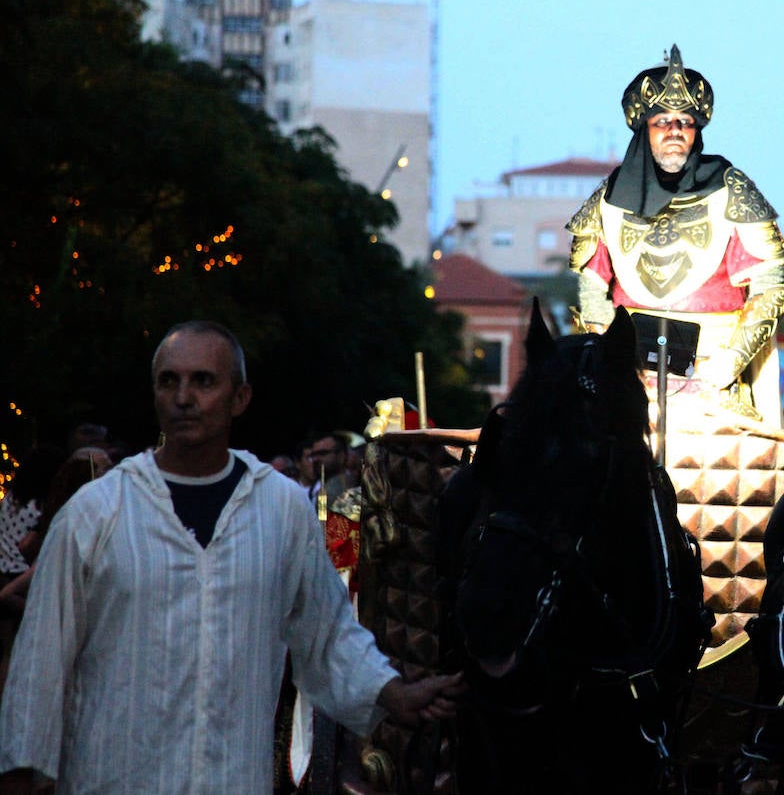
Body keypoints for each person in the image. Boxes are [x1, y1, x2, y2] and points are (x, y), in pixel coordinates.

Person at [0, 321, 462, 792]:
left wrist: (393, 693)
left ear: (239, 398)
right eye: (169, 381)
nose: (183, 397)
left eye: (203, 380)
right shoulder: (95, 514)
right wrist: (20, 773)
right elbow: (41, 660)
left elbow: (327, 634)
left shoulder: (280, 509)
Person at [566, 44, 784, 423]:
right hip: (627, 378)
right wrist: (615, 358)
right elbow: (591, 287)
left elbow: (771, 287)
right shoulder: (610, 196)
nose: (675, 131)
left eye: (685, 122)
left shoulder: (732, 189)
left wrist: (725, 367)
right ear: (645, 129)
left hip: (716, 380)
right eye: (662, 122)